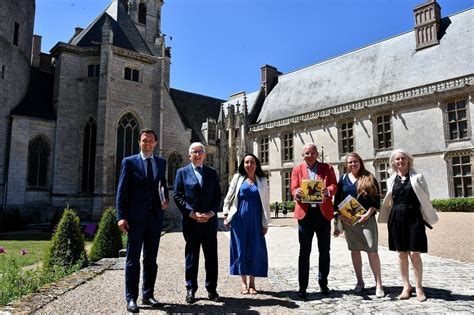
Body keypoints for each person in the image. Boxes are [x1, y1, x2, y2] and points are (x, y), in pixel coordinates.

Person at [116, 128, 169, 313]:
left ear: (155, 143)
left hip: (154, 218)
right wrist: (120, 216)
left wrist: (165, 199)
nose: (147, 143)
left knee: (151, 259)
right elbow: (122, 191)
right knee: (132, 260)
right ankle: (131, 298)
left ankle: (148, 295)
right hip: (135, 219)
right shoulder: (129, 162)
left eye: (151, 141)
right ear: (140, 142)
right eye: (144, 140)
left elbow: (162, 184)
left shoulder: (161, 163)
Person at [378, 149, 438, 302]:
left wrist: (425, 218)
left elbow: (425, 199)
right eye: (397, 159)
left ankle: (419, 287)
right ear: (393, 162)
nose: (400, 161)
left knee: (415, 254)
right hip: (396, 217)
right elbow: (390, 199)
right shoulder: (391, 179)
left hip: (413, 217)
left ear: (408, 160)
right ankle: (406, 286)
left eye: (403, 158)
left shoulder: (418, 177)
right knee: (401, 254)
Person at [173, 142, 222, 304]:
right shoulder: (181, 172)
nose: (197, 154)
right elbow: (178, 196)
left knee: (211, 257)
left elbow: (217, 196)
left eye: (200, 151)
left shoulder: (212, 173)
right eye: (194, 152)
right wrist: (191, 213)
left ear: (204, 155)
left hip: (209, 222)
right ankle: (190, 289)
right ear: (189, 155)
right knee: (192, 257)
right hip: (191, 223)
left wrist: (211, 213)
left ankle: (212, 289)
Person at [333, 152, 384, 298]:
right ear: (346, 164)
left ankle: (379, 283)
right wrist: (342, 217)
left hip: (366, 220)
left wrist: (368, 214)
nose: (352, 164)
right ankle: (360, 282)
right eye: (350, 162)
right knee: (355, 252)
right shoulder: (342, 180)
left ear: (360, 162)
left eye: (355, 162)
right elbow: (337, 202)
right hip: (349, 221)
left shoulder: (369, 178)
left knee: (372, 251)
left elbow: (375, 201)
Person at [291, 143, 337, 300]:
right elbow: (293, 188)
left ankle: (323, 283)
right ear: (302, 155)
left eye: (312, 153)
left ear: (317, 154)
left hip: (322, 213)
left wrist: (328, 191)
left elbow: (333, 186)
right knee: (304, 252)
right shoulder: (297, 169)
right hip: (305, 214)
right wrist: (296, 192)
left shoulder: (327, 168)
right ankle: (302, 287)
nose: (309, 155)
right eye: (306, 153)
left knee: (325, 251)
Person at [223, 154, 271, 295]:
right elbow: (229, 196)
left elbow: (265, 203)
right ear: (243, 164)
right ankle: (243, 283)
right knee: (241, 249)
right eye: (246, 162)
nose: (249, 165)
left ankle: (252, 283)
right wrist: (226, 215)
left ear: (256, 165)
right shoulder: (238, 178)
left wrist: (265, 223)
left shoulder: (262, 180)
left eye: (252, 162)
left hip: (256, 219)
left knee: (255, 249)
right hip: (239, 219)